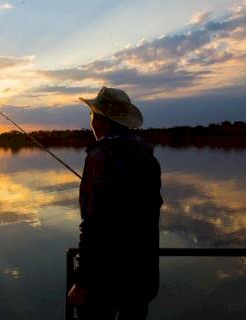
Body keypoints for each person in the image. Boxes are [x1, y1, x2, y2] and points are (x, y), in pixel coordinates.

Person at [67, 87, 163, 319]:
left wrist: (82, 281)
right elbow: (149, 215)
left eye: (92, 115)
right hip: (142, 275)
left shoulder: (98, 158)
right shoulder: (147, 156)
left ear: (101, 120)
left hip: (104, 279)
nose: (91, 121)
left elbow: (92, 226)